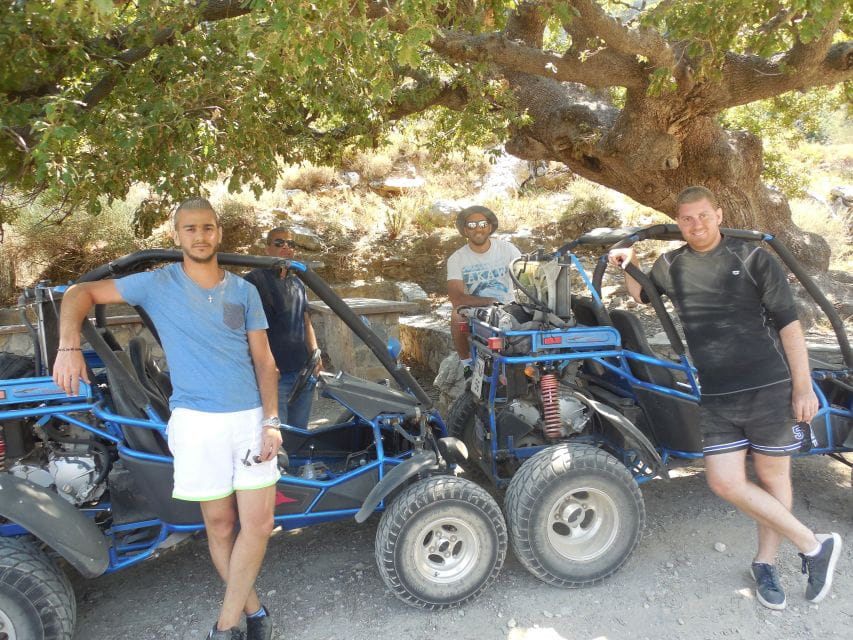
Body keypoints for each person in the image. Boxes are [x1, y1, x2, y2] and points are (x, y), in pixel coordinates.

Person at [53, 198, 280, 640]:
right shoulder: (158, 284)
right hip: (197, 423)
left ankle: (225, 624)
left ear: (219, 233)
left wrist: (272, 420)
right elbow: (80, 293)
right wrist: (67, 346)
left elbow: (265, 360)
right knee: (220, 524)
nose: (201, 236)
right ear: (177, 235)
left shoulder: (244, 292)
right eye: (191, 229)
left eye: (208, 228)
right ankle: (253, 611)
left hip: (250, 420)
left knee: (258, 524)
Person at [608, 186, 842, 611]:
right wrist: (632, 263)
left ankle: (766, 563)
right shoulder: (671, 263)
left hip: (768, 386)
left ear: (717, 214)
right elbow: (641, 295)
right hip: (716, 392)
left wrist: (803, 387)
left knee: (773, 479)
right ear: (678, 222)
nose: (696, 224)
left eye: (703, 215)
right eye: (686, 218)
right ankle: (813, 544)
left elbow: (790, 325)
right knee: (724, 481)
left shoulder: (752, 259)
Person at [245, 227, 321, 428]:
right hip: (274, 374)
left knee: (300, 432)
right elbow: (245, 329)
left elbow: (305, 321)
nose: (286, 247)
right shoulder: (254, 282)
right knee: (279, 435)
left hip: (302, 371)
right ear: (268, 248)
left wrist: (315, 354)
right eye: (279, 243)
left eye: (291, 244)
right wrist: (264, 366)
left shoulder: (298, 282)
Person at [447, 205, 521, 366]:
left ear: (490, 227)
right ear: (465, 231)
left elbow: (526, 277)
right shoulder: (457, 258)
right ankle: (467, 364)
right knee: (457, 314)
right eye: (471, 225)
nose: (477, 229)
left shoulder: (507, 249)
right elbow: (456, 298)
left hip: (509, 306)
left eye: (482, 224)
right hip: (477, 308)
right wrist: (489, 301)